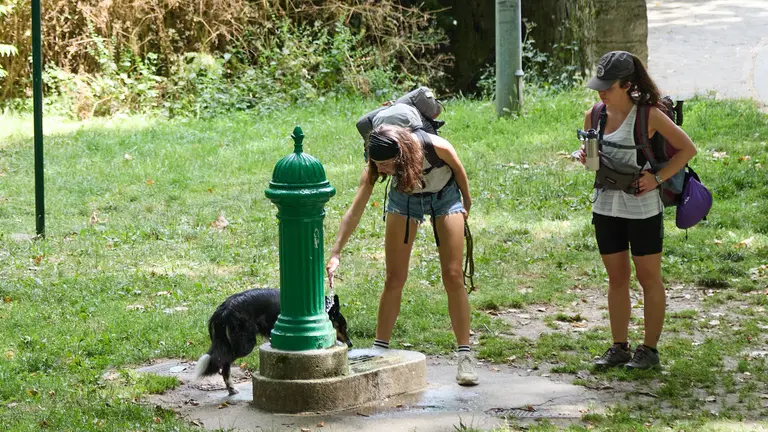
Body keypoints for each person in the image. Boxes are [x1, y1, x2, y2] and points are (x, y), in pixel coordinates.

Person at [326, 123, 478, 386]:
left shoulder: (436, 147)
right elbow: (355, 210)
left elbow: (459, 170)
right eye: (376, 164)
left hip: (445, 195)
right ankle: (380, 349)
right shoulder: (375, 166)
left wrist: (466, 201)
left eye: (385, 164)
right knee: (394, 277)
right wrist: (336, 252)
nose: (381, 170)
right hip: (404, 199)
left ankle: (465, 355)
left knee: (453, 275)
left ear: (402, 156)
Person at [578, 51, 697, 370]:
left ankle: (650, 351)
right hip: (606, 206)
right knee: (616, 278)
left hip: (643, 208)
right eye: (599, 85)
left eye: (608, 85)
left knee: (648, 278)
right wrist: (585, 156)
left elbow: (688, 149)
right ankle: (619, 347)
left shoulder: (649, 117)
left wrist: (656, 177)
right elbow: (592, 162)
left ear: (627, 84)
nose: (601, 91)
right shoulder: (595, 115)